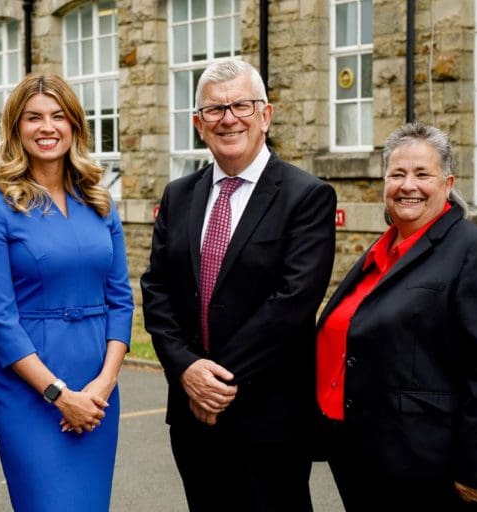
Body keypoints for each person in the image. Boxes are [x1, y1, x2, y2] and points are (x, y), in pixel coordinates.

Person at [140, 58, 336, 511]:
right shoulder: (178, 195)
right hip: (191, 414)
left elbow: (291, 303)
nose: (228, 118)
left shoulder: (306, 196)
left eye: (241, 106)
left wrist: (217, 382)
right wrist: (187, 371)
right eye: (214, 110)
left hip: (269, 417)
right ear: (198, 125)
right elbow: (156, 291)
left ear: (265, 115)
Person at [316, 122, 477, 512]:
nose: (407, 185)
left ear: (447, 184)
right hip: (364, 456)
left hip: (433, 468)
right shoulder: (380, 253)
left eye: (422, 174)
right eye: (397, 174)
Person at [0, 74, 134, 512]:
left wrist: (103, 385)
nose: (47, 127)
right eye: (33, 117)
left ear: (75, 125)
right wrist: (60, 394)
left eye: (59, 116)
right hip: (31, 395)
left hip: (98, 391)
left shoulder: (99, 201)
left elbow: (120, 299)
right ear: (15, 127)